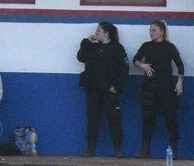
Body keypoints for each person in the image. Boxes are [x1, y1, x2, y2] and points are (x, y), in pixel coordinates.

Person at [131, 19, 184, 158]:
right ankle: (145, 149)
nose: (151, 32)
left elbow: (180, 65)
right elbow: (135, 59)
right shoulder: (146, 46)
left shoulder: (169, 47)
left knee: (170, 119)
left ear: (161, 32)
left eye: (153, 30)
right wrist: (143, 66)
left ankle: (175, 150)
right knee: (148, 119)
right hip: (149, 88)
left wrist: (180, 81)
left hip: (166, 88)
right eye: (150, 30)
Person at [77, 21, 127, 157]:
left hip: (109, 90)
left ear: (106, 33)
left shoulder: (117, 48)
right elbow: (80, 57)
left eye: (99, 30)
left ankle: (117, 149)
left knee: (114, 119)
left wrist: (116, 86)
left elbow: (124, 69)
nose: (96, 32)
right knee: (92, 119)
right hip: (93, 89)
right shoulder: (92, 47)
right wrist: (87, 42)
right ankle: (90, 148)